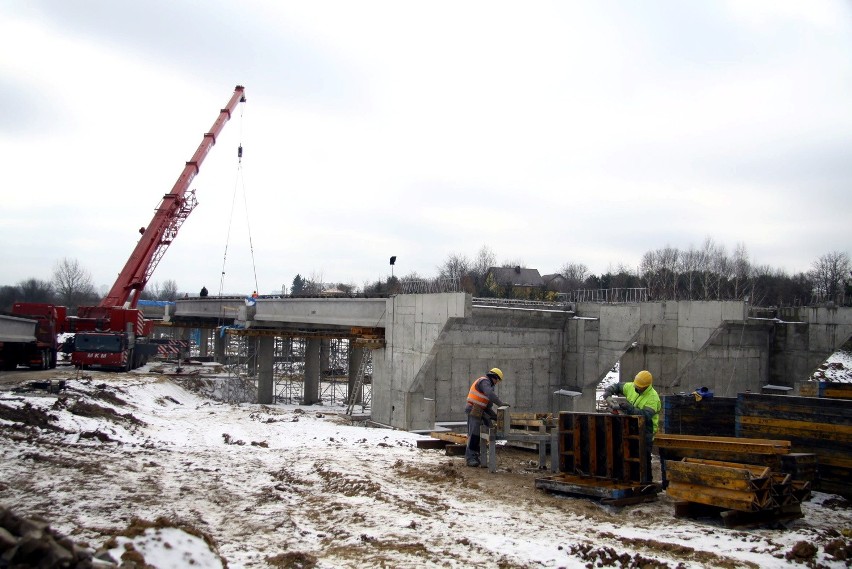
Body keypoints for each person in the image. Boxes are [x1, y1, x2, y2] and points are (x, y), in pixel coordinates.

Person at [603, 370, 661, 482]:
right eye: (636, 386)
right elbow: (618, 386)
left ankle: (646, 483)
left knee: (643, 457)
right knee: (626, 452)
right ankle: (628, 479)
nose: (637, 388)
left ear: (646, 386)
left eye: (640, 387)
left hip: (647, 430)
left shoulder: (653, 398)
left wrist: (629, 409)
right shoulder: (631, 387)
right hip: (631, 426)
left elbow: (646, 415)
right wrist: (609, 392)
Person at [465, 367, 509, 467]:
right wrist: (501, 404)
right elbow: (490, 394)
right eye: (497, 380)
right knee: (474, 434)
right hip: (473, 409)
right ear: (494, 377)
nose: (497, 382)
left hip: (480, 410)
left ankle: (476, 455)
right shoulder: (484, 382)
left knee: (485, 431)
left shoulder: (489, 386)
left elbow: (487, 407)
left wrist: (496, 417)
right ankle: (470, 458)